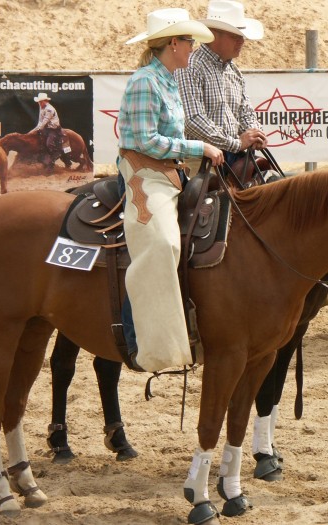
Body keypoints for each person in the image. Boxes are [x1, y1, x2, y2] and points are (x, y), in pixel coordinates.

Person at [118, 7, 223, 372]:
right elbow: (146, 140)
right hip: (144, 175)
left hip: (170, 173)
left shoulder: (166, 79)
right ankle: (142, 343)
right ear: (174, 43)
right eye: (189, 40)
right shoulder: (146, 81)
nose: (193, 47)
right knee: (162, 243)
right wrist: (200, 148)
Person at [176, 0, 268, 175]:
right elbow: (193, 119)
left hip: (235, 155)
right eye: (235, 36)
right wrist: (236, 143)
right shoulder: (191, 67)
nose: (242, 41)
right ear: (213, 34)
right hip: (202, 161)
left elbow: (246, 111)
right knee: (207, 200)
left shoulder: (233, 70)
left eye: (242, 36)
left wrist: (255, 133)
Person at [30, 92, 70, 170]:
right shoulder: (41, 108)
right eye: (39, 102)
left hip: (54, 129)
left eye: (40, 101)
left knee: (49, 144)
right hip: (46, 128)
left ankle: (55, 155)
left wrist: (39, 128)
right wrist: (33, 131)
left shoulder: (49, 109)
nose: (39, 103)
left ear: (45, 101)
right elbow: (40, 121)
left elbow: (45, 121)